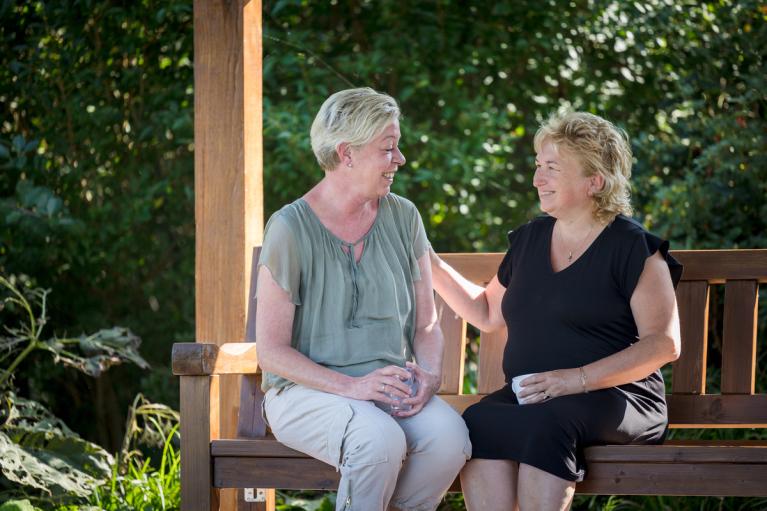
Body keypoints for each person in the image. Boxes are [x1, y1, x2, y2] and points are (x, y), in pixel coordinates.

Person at [429, 111, 683, 511]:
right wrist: (427, 261)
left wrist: (575, 380)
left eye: (551, 168)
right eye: (537, 166)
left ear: (593, 182)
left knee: (549, 423)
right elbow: (486, 311)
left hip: (616, 396)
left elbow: (663, 344)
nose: (536, 179)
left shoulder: (633, 248)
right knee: (478, 422)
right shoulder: (530, 239)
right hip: (537, 397)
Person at [255, 87, 471, 511]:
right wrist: (352, 386)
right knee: (378, 440)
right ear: (346, 154)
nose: (400, 160)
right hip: (306, 392)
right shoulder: (289, 228)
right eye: (388, 149)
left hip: (389, 388)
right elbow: (272, 352)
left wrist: (430, 375)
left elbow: (427, 324)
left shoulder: (404, 216)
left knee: (450, 440)